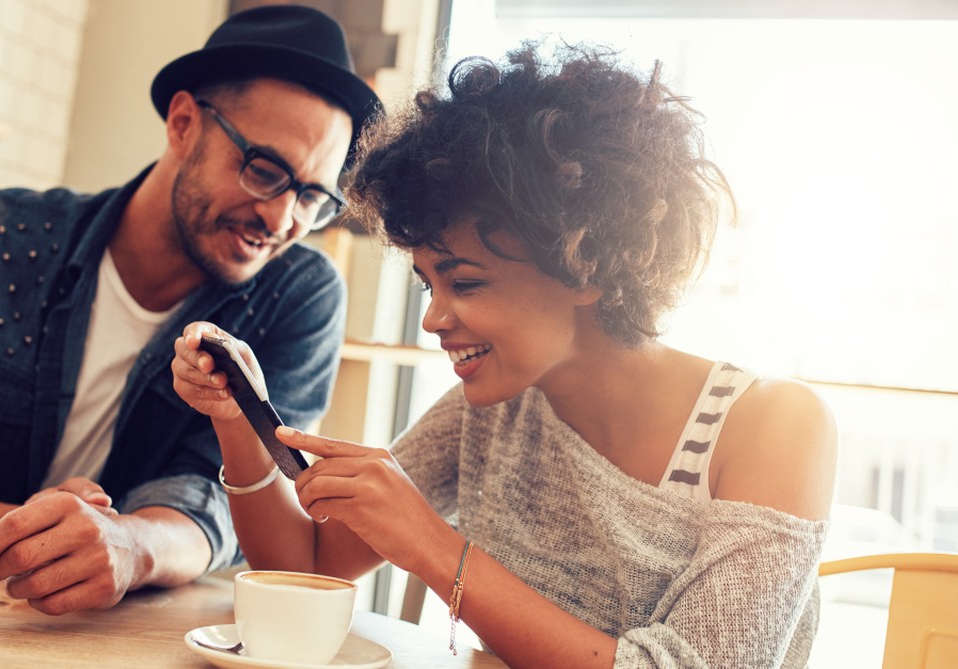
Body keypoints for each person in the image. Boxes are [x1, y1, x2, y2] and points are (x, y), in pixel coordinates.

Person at [172, 42, 837, 668]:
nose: (434, 317)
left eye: (464, 281)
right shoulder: (494, 407)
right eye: (427, 282)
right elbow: (310, 565)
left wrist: (433, 545)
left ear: (586, 265)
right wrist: (238, 421)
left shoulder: (772, 426)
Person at [0, 5, 379, 615]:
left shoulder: (298, 294)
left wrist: (131, 547)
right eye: (265, 170)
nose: (281, 220)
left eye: (312, 197)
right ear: (184, 123)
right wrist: (59, 538)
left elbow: (220, 501)